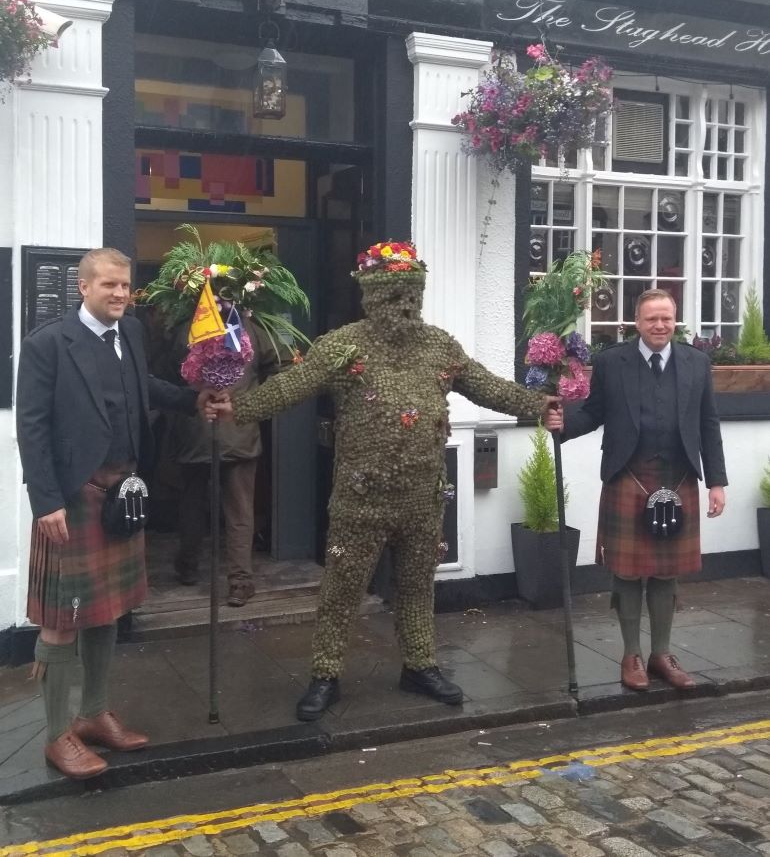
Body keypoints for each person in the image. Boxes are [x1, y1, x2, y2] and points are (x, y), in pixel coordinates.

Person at [208, 242, 555, 721]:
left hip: (422, 496)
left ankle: (420, 664)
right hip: (359, 497)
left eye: (412, 294)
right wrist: (238, 407)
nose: (404, 305)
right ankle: (325, 674)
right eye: (393, 295)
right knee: (342, 588)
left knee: (416, 587)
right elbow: (293, 385)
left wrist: (538, 405)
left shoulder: (439, 346)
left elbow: (484, 383)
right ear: (370, 296)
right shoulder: (344, 345)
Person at [16, 247, 211, 780]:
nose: (121, 294)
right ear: (83, 287)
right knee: (62, 620)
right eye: (110, 285)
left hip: (122, 490)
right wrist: (46, 500)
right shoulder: (48, 345)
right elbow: (30, 428)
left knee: (106, 611)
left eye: (126, 285)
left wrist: (192, 399)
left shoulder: (131, 335)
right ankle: (58, 736)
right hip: (74, 497)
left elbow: (141, 388)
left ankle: (94, 714)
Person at [544, 288, 727, 692]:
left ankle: (661, 654)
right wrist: (563, 427)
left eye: (666, 318)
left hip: (679, 477)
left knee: (666, 573)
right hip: (629, 473)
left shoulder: (697, 362)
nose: (660, 326)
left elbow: (708, 423)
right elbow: (594, 413)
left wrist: (716, 481)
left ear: (675, 320)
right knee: (627, 572)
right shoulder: (612, 362)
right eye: (651, 319)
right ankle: (631, 655)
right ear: (636, 322)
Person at [168, 317, 284, 606]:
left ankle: (188, 567)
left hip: (195, 428)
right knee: (240, 510)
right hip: (239, 431)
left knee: (191, 503)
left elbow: (167, 369)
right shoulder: (251, 326)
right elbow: (284, 363)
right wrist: (255, 400)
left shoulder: (188, 326)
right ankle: (240, 583)